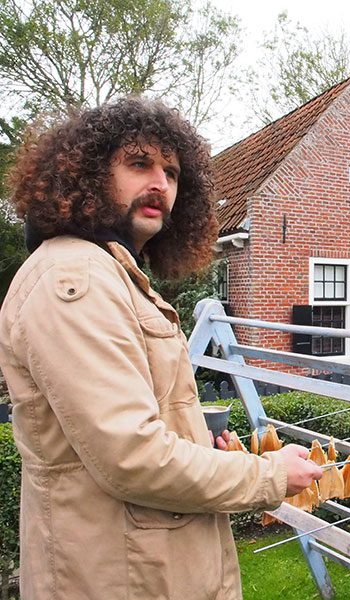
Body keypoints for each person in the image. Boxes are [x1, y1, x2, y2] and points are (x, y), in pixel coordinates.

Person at [0, 97, 323, 599]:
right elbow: (132, 455)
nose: (160, 184)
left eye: (171, 172)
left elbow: (138, 426)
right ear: (86, 175)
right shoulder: (75, 279)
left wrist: (202, 444)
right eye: (138, 164)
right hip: (121, 579)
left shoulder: (112, 274)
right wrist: (268, 475)